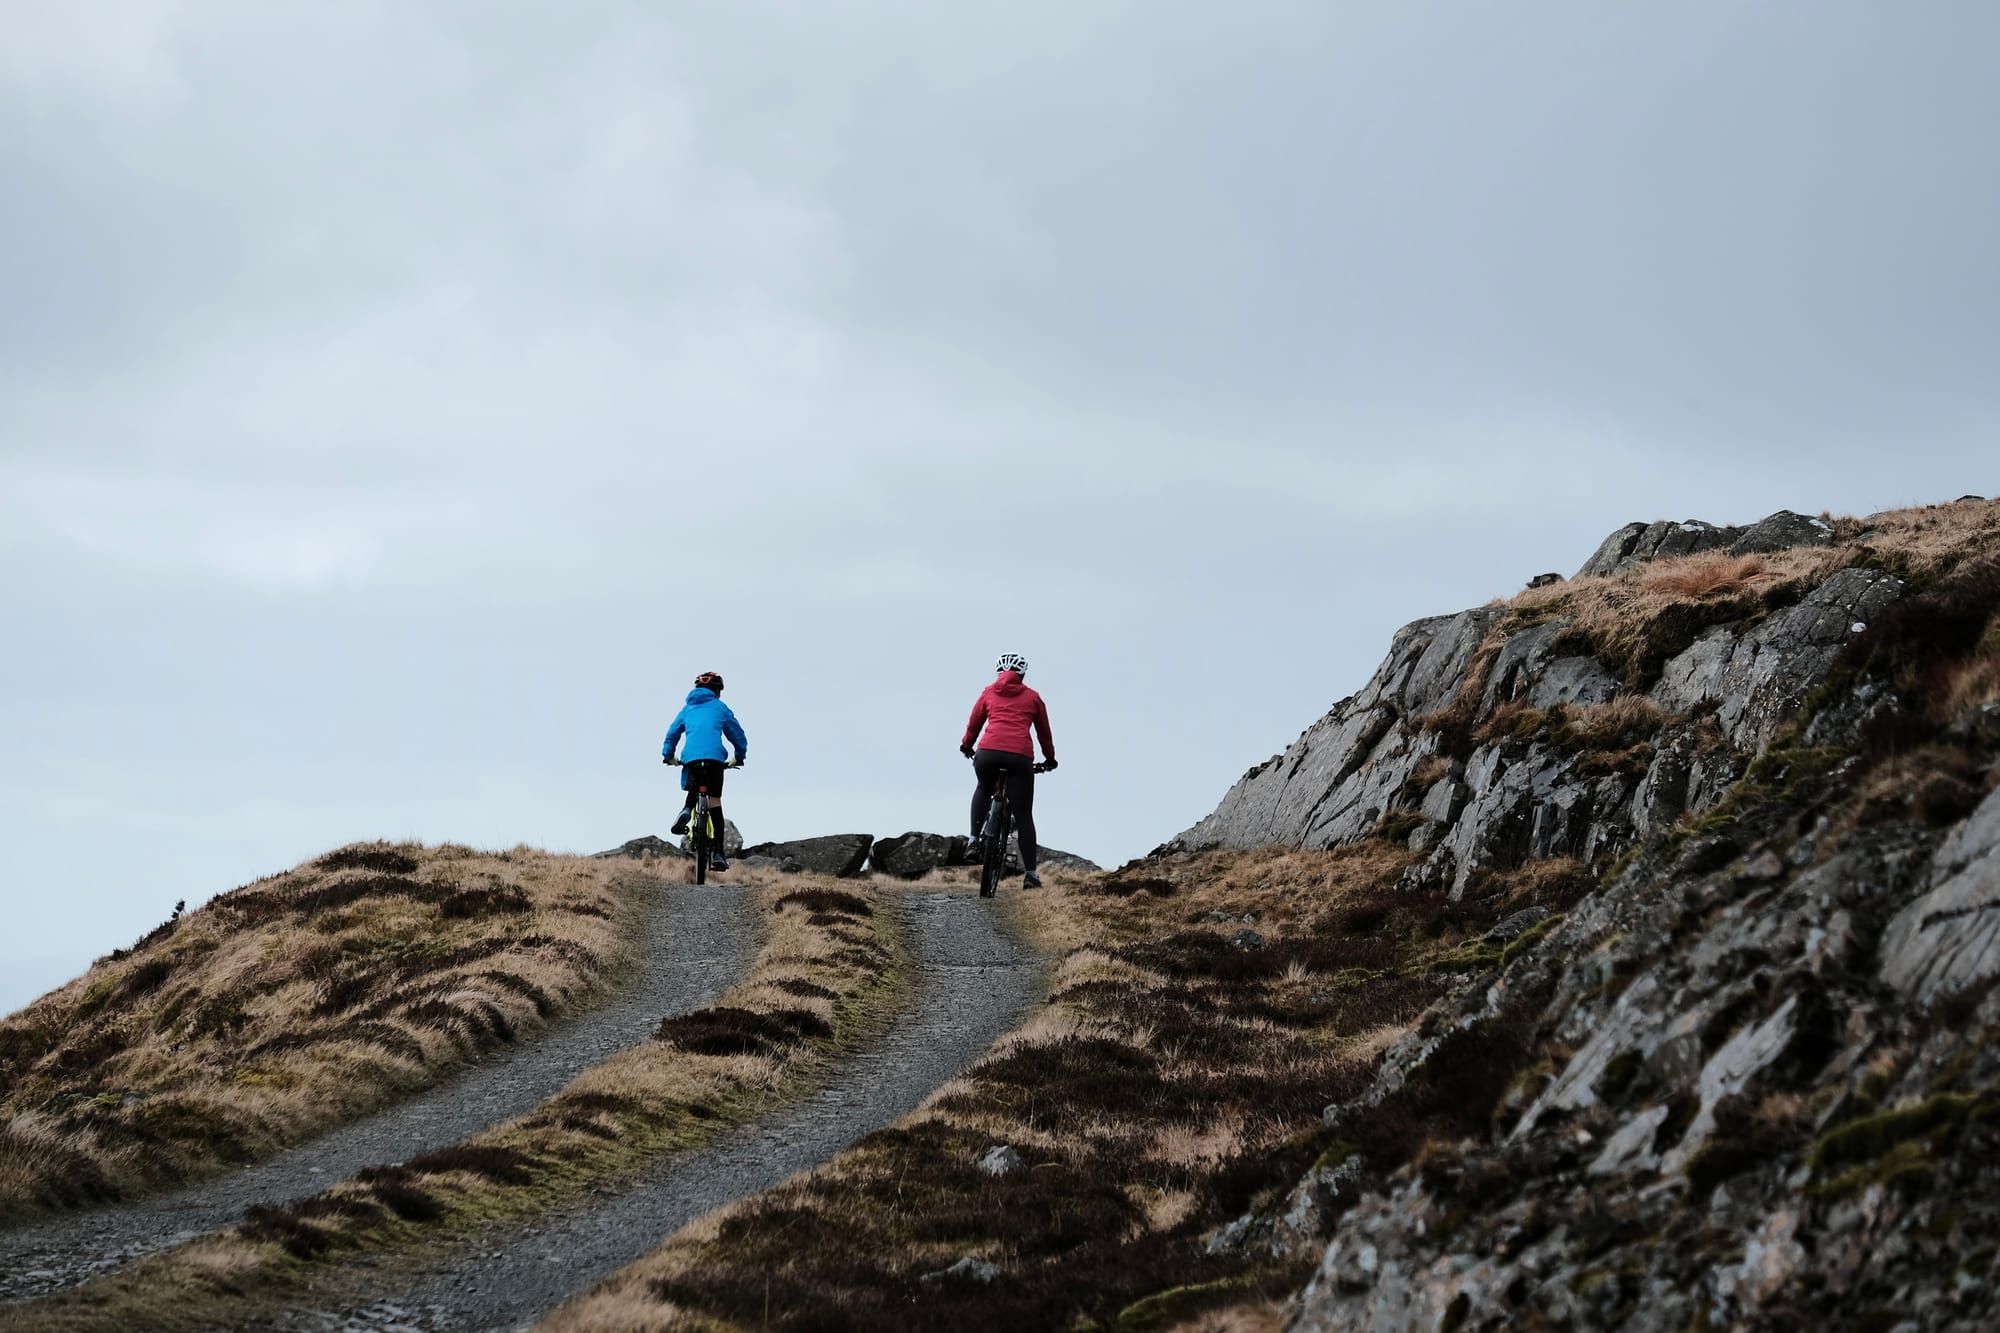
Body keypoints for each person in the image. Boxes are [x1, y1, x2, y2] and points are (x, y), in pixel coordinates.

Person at [961, 652, 1057, 888]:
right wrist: (1050, 758)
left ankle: (973, 841)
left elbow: (975, 722)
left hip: (987, 753)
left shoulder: (988, 692)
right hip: (1019, 757)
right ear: (1022, 675)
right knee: (1024, 815)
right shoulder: (1033, 698)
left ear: (999, 673)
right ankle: (1031, 875)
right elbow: (1044, 732)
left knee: (984, 787)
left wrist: (966, 745)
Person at [663, 671, 748, 872]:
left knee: (694, 782)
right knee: (714, 801)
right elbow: (737, 734)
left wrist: (668, 755)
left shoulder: (687, 709)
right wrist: (739, 755)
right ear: (717, 692)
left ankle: (686, 809)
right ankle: (718, 853)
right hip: (715, 760)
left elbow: (672, 733)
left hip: (691, 759)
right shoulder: (721, 708)